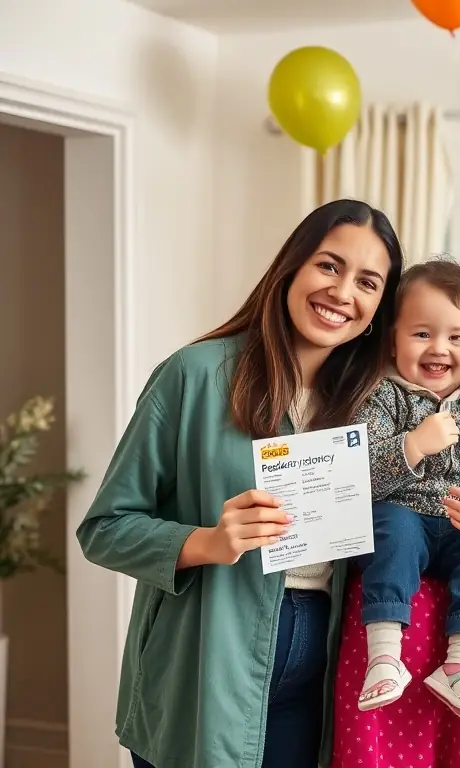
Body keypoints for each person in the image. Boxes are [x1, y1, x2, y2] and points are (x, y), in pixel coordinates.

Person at [75, 199, 404, 768]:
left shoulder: (371, 405)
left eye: (368, 282)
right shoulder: (195, 374)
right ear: (291, 269)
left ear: (378, 308)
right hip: (204, 667)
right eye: (329, 266)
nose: (343, 292)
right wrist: (208, 541)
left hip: (321, 670)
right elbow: (105, 528)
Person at [354, 259, 460, 733]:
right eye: (421, 334)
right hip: (400, 517)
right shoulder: (381, 396)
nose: (438, 349)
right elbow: (354, 481)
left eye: (455, 337)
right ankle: (385, 656)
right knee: (394, 526)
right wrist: (411, 445)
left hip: (457, 526)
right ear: (393, 338)